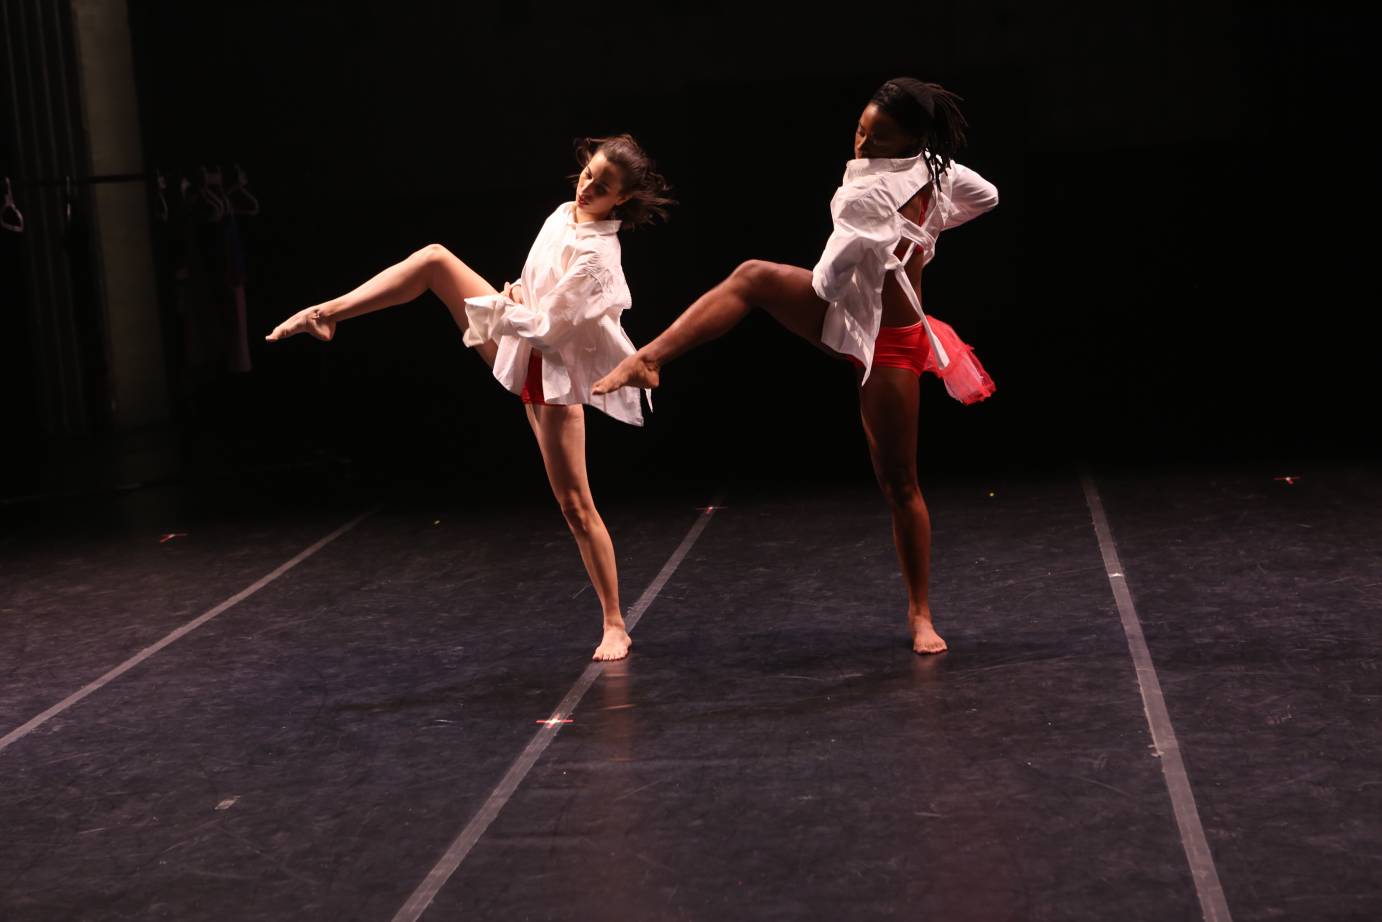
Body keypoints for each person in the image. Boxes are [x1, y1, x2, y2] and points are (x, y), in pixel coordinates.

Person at [593, 80, 998, 654]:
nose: (861, 143)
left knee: (899, 482)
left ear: (911, 140)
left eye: (877, 137)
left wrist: (893, 238)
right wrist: (917, 234)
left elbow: (827, 283)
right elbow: (988, 196)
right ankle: (649, 358)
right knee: (753, 275)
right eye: (861, 128)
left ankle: (921, 614)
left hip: (887, 342)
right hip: (867, 322)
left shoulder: (872, 194)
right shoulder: (932, 173)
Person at [267, 134, 673, 661]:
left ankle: (615, 623)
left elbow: (550, 331)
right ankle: (326, 314)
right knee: (435, 260)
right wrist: (517, 296)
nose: (587, 187)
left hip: (552, 379)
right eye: (588, 174)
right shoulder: (562, 214)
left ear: (622, 198)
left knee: (576, 507)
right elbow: (537, 289)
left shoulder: (600, 259)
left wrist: (512, 306)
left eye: (603, 186)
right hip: (515, 344)